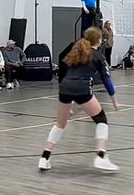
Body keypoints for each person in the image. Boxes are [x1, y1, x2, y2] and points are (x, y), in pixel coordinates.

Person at [39, 27, 120, 172]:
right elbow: (107, 80)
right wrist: (114, 102)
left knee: (60, 124)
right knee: (101, 120)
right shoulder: (98, 56)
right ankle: (101, 157)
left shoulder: (77, 51)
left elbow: (67, 73)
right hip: (82, 89)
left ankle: (44, 158)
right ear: (99, 40)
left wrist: (69, 104)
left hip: (65, 88)